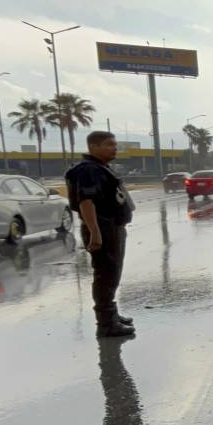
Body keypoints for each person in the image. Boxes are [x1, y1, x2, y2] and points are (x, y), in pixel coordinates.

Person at [65, 131, 136, 337]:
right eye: (108, 145)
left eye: (114, 144)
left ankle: (110, 314)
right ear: (93, 147)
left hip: (112, 227)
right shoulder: (88, 170)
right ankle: (106, 323)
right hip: (103, 228)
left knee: (112, 273)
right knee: (106, 274)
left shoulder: (100, 168)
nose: (114, 148)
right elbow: (86, 202)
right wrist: (95, 233)